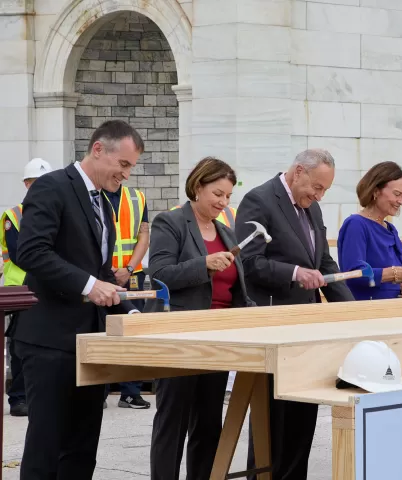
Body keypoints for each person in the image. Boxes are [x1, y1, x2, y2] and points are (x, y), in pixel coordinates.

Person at [14, 120, 142, 480]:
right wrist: (88, 285)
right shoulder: (51, 187)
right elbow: (32, 251)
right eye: (124, 165)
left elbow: (99, 270)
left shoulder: (102, 201)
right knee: (46, 445)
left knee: (82, 447)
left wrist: (128, 309)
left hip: (89, 343)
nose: (127, 175)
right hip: (49, 341)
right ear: (99, 149)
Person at [236, 149, 354, 480]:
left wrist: (354, 311)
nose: (319, 196)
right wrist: (293, 273)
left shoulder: (312, 208)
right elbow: (248, 263)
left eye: (324, 190)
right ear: (298, 171)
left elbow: (325, 265)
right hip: (274, 325)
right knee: (272, 421)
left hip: (307, 330)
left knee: (303, 417)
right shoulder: (258, 200)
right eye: (316, 187)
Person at [147, 157, 254, 480]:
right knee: (173, 422)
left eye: (228, 197)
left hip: (218, 339)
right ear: (197, 186)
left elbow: (236, 288)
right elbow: (160, 274)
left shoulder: (226, 232)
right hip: (180, 337)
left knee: (208, 424)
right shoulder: (171, 222)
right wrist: (203, 265)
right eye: (217, 194)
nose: (223, 202)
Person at [1, 157, 52, 417]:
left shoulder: (56, 213)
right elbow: (21, 255)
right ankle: (19, 398)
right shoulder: (14, 216)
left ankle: (39, 396)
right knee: (21, 347)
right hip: (21, 290)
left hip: (48, 288)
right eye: (35, 183)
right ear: (26, 184)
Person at [337, 161, 402, 300]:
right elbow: (354, 274)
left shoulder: (390, 229)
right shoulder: (356, 225)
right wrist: (399, 273)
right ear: (376, 191)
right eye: (397, 194)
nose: (401, 201)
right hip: (367, 311)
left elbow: (396, 274)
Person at [102, 184, 151, 409]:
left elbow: (144, 235)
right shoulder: (91, 194)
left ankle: (131, 393)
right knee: (98, 332)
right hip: (100, 277)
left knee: (133, 332)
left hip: (131, 276)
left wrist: (128, 269)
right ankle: (97, 392)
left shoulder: (136, 198)